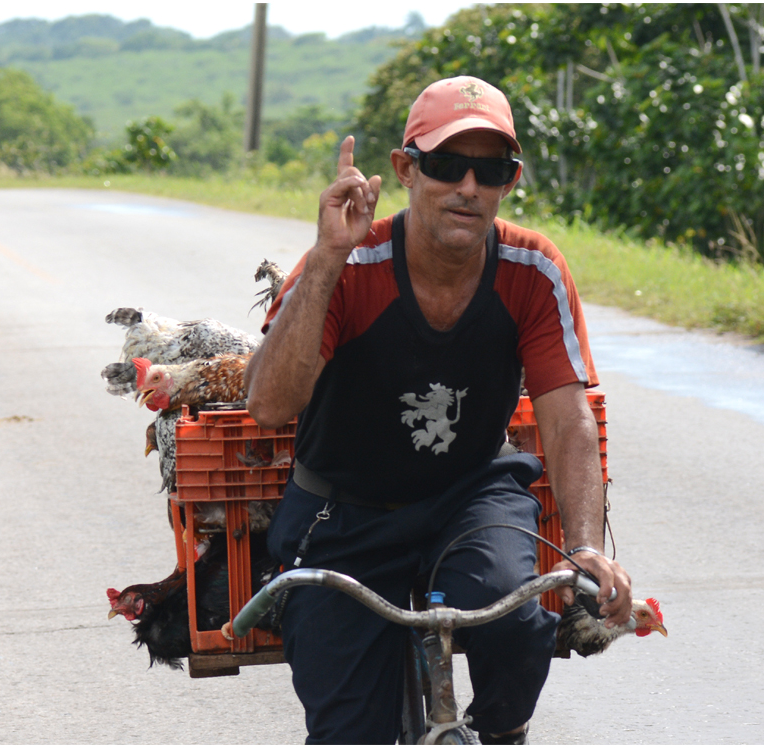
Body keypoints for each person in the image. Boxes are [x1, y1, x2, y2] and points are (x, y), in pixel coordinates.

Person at [244, 75, 632, 744]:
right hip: (344, 512)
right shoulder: (347, 262)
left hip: (469, 497)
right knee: (346, 734)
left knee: (516, 620)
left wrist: (586, 549)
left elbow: (567, 418)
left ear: (510, 180)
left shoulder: (531, 269)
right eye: (448, 166)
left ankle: (502, 732)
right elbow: (270, 405)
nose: (469, 188)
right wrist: (330, 259)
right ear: (405, 170)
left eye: (491, 170)